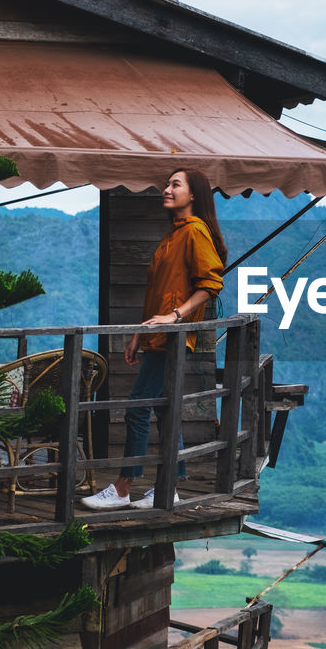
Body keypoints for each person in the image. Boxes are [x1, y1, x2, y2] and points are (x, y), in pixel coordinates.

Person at [81, 168, 226, 509]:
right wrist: (138, 335)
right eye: (167, 184)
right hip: (159, 338)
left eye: (176, 185)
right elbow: (159, 295)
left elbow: (211, 285)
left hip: (174, 339)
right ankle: (169, 488)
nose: (166, 189)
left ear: (193, 196)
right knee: (164, 411)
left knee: (137, 407)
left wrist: (176, 317)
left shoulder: (195, 233)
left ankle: (122, 487)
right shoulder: (174, 234)